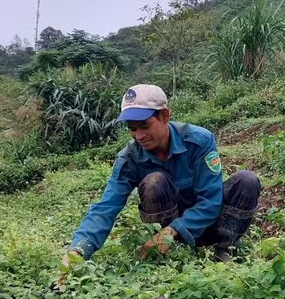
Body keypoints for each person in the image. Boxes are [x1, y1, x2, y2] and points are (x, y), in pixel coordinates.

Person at [62, 84, 261, 268]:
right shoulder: (130, 158)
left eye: (144, 126)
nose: (139, 136)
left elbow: (210, 200)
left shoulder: (199, 141)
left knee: (247, 181)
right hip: (165, 235)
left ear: (164, 116)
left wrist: (175, 229)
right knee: (154, 181)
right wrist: (78, 251)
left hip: (210, 225)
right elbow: (106, 207)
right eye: (132, 129)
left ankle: (225, 250)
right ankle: (166, 255)